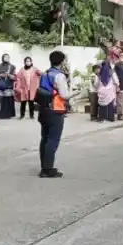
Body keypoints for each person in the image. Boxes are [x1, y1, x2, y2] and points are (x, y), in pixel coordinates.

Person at [36, 50, 70, 178]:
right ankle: (48, 169)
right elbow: (64, 95)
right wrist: (76, 93)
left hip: (43, 109)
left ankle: (44, 167)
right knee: (52, 139)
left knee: (44, 138)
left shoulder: (45, 74)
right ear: (62, 62)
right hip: (55, 110)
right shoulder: (59, 76)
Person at [94, 50, 119, 122]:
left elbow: (96, 84)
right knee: (110, 104)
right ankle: (111, 118)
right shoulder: (111, 71)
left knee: (102, 105)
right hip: (110, 90)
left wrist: (96, 88)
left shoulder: (99, 74)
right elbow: (116, 80)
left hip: (101, 90)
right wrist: (117, 86)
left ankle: (102, 118)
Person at [0, 54, 16, 119]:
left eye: (8, 57)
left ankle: (8, 115)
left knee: (8, 101)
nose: (6, 58)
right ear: (2, 58)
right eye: (5, 57)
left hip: (8, 86)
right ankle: (0, 115)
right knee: (1, 100)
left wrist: (9, 75)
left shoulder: (12, 66)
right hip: (0, 86)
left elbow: (14, 77)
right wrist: (1, 75)